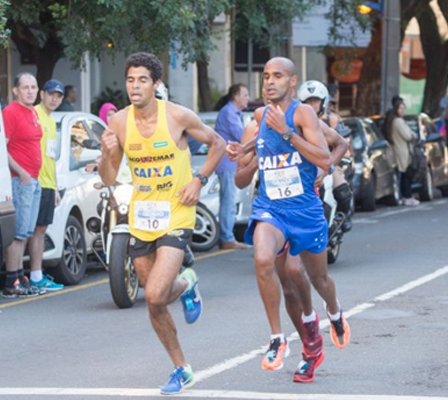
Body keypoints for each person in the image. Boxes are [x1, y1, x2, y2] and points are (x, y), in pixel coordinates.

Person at [99, 52, 225, 395]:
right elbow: (109, 176)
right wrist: (108, 153)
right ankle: (181, 367)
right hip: (141, 215)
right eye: (130, 80)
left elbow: (218, 144)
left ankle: (183, 284)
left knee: (154, 293)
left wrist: (199, 179)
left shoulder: (178, 116)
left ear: (156, 84)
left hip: (177, 211)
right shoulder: (119, 123)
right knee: (153, 300)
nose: (135, 86)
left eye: (142, 80)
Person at [233, 57, 351, 383]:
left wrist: (288, 137)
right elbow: (240, 181)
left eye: (278, 76)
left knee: (316, 278)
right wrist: (249, 158)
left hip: (305, 210)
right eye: (266, 76)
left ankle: (332, 311)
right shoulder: (256, 119)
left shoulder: (303, 114)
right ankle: (283, 339)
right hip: (271, 208)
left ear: (292, 82)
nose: (269, 81)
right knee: (268, 265)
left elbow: (327, 154)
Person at [2, 73, 44, 298]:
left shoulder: (32, 111)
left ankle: (21, 277)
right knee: (18, 233)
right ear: (15, 90)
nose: (30, 91)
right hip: (20, 180)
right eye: (25, 87)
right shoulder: (10, 113)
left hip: (34, 179)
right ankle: (11, 281)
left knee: (27, 231)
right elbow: (3, 148)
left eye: (33, 87)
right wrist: (21, 173)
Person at [296, 80, 354, 231]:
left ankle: (342, 217)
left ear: (323, 102)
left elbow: (342, 143)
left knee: (342, 189)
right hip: (302, 164)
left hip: (328, 162)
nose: (312, 105)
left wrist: (332, 163)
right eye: (308, 101)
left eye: (315, 101)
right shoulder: (296, 119)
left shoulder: (332, 119)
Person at [28, 79, 66, 292]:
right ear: (42, 94)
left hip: (48, 184)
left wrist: (55, 187)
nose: (54, 99)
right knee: (30, 230)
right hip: (34, 181)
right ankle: (29, 276)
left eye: (59, 96)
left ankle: (36, 274)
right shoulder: (34, 115)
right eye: (51, 94)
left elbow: (50, 156)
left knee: (40, 230)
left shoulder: (52, 122)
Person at [215, 84, 250, 250]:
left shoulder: (235, 113)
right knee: (228, 201)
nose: (247, 98)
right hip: (227, 162)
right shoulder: (229, 112)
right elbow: (241, 135)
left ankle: (228, 236)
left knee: (229, 200)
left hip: (231, 162)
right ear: (236, 96)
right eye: (245, 95)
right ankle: (227, 238)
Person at [385, 99, 419, 206]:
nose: (403, 110)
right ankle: (407, 196)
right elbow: (408, 135)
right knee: (406, 174)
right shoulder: (398, 121)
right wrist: (413, 135)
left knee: (405, 174)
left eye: (404, 108)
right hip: (402, 151)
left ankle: (406, 196)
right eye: (401, 108)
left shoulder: (398, 120)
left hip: (402, 150)